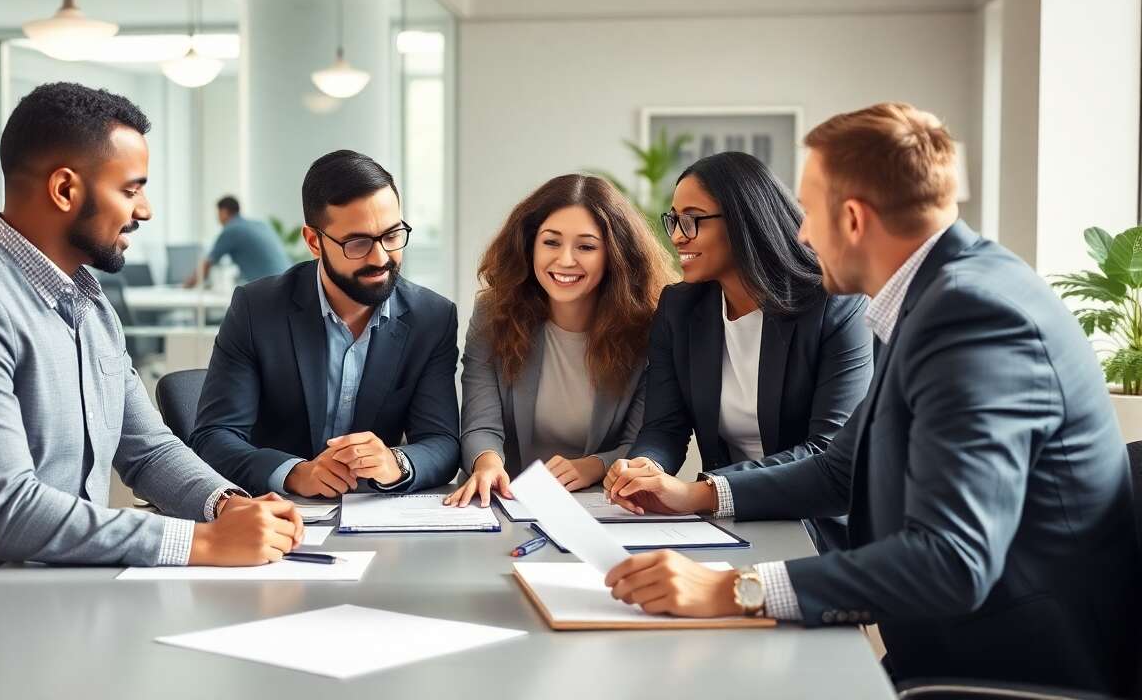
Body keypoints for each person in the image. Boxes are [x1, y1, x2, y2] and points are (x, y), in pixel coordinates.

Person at [603, 102, 1139, 694]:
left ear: (853, 219)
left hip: (1015, 671)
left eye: (809, 212)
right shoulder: (944, 294)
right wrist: (698, 496)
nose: (800, 232)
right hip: (955, 647)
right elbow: (840, 469)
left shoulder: (974, 316)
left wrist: (735, 588)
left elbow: (952, 560)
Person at [0, 83, 303, 611]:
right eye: (132, 190)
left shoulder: (88, 302)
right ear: (65, 190)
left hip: (53, 590)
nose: (146, 210)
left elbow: (149, 448)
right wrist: (199, 542)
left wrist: (228, 507)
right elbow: (10, 512)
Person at [189, 150, 459, 497]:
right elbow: (213, 437)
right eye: (358, 243)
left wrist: (396, 463)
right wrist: (294, 473)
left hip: (374, 517)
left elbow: (442, 442)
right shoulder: (257, 309)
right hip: (275, 515)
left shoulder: (432, 318)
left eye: (392, 235)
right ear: (314, 242)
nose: (380, 258)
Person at [609, 151, 871, 480]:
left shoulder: (836, 305)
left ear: (743, 218)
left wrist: (708, 493)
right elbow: (665, 427)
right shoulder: (679, 308)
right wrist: (647, 465)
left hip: (815, 520)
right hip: (723, 517)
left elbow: (825, 449)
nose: (677, 236)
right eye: (674, 220)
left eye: (692, 220)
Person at [445, 175, 674, 507]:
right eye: (551, 242)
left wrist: (593, 467)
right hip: (506, 504)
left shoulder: (647, 326)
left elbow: (644, 441)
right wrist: (488, 464)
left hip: (604, 507)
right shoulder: (494, 312)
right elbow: (480, 422)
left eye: (586, 246)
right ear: (530, 245)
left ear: (614, 254)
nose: (565, 260)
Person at [183, 195, 292, 288]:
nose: (218, 218)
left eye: (218, 213)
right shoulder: (260, 224)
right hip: (290, 281)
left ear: (224, 212)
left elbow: (206, 266)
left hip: (273, 288)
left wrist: (186, 286)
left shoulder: (231, 230)